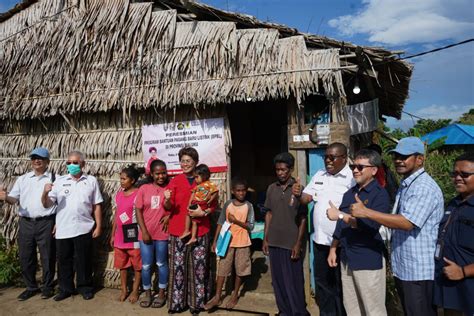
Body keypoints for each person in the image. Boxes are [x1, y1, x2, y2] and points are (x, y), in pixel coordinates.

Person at [351, 137, 444, 316]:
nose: (398, 161)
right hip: (406, 267)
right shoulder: (407, 183)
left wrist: (367, 212)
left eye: (404, 156)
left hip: (418, 271)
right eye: (396, 156)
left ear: (419, 159)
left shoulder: (423, 187)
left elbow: (407, 223)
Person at [293, 142, 355, 316]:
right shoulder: (320, 174)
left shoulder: (351, 177)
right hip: (320, 241)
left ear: (344, 158)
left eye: (332, 157)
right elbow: (306, 198)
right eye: (325, 157)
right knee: (323, 283)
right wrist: (299, 194)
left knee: (343, 285)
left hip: (342, 243)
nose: (327, 160)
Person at [326, 149, 390, 316]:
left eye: (360, 167)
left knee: (373, 309)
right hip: (347, 257)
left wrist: (340, 215)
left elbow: (371, 225)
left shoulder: (380, 195)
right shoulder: (351, 193)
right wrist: (333, 248)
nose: (355, 170)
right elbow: (340, 226)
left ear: (374, 170)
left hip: (367, 258)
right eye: (353, 166)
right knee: (352, 308)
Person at [41, 150, 103, 301]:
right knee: (64, 261)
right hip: (63, 228)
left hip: (84, 227)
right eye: (69, 163)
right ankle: (65, 289)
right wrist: (44, 193)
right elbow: (47, 204)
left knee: (84, 259)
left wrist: (99, 226)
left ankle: (85, 287)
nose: (72, 165)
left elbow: (97, 205)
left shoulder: (91, 181)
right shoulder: (59, 181)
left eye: (75, 162)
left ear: (83, 164)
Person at [0, 148, 56, 301]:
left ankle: (48, 287)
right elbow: (14, 200)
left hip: (46, 222)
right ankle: (31, 287)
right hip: (25, 223)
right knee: (26, 256)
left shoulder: (54, 179)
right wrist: (5, 197)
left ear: (47, 162)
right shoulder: (23, 179)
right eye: (34, 158)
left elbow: (57, 203)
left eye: (40, 158)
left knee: (47, 256)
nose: (36, 161)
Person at [167, 147, 217, 314]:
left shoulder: (204, 181)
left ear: (195, 162)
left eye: (188, 161)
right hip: (178, 230)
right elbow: (169, 206)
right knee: (177, 267)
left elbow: (214, 204)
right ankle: (177, 303)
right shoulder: (175, 181)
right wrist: (166, 200)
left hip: (201, 229)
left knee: (199, 268)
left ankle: (197, 304)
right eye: (182, 161)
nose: (185, 164)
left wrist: (204, 212)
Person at [263, 152, 309, 316]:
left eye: (284, 170)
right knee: (278, 282)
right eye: (278, 170)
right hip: (274, 241)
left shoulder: (298, 190)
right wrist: (265, 238)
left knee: (294, 282)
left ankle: (299, 312)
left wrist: (298, 243)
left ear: (290, 169)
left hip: (290, 244)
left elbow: (303, 218)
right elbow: (269, 214)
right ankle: (284, 312)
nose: (280, 173)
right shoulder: (271, 188)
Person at [204, 177, 254, 310]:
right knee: (223, 268)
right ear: (233, 191)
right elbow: (221, 223)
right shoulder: (228, 205)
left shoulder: (249, 206)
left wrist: (236, 221)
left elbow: (251, 226)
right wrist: (215, 241)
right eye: (238, 191)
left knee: (240, 269)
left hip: (243, 242)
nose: (241, 193)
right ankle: (217, 296)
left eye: (243, 191)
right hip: (227, 242)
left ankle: (235, 294)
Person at [433, 152, 474, 315]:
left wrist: (463, 272)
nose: (457, 178)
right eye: (454, 173)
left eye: (464, 174)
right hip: (450, 286)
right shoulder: (454, 203)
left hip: (469, 288)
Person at [135, 159, 172, 308]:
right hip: (146, 234)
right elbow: (138, 210)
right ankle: (147, 292)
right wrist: (144, 231)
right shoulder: (144, 188)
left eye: (163, 173)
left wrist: (169, 214)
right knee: (146, 265)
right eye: (157, 173)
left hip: (162, 233)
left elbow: (174, 207)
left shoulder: (170, 187)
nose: (161, 176)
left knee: (162, 263)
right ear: (152, 174)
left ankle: (162, 293)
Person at [109, 165, 142, 303]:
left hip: (133, 234)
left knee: (137, 265)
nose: (121, 181)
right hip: (120, 236)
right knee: (122, 264)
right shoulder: (118, 194)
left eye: (124, 179)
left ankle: (135, 291)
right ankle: (124, 290)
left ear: (133, 180)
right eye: (120, 178)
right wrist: (112, 234)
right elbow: (117, 214)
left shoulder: (138, 194)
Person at [180, 164, 218, 245]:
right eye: (195, 177)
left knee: (194, 220)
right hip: (195, 203)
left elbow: (215, 192)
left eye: (197, 177)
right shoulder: (198, 186)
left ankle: (192, 236)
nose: (195, 179)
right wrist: (189, 203)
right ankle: (188, 232)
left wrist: (211, 199)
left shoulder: (209, 184)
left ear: (204, 176)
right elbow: (193, 194)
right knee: (192, 219)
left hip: (202, 203)